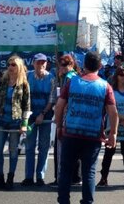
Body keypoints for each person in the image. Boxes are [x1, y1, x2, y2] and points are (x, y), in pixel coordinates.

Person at [55, 51, 118, 204]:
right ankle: (87, 201)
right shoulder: (105, 86)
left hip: (71, 132)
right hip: (93, 135)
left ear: (84, 65)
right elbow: (113, 112)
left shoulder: (72, 82)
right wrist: (113, 134)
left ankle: (64, 201)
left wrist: (58, 126)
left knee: (66, 170)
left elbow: (59, 106)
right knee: (89, 171)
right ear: (100, 66)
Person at [0, 55, 31, 190]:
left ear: (19, 67)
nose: (10, 67)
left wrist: (24, 123)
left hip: (15, 122)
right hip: (1, 120)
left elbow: (26, 106)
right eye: (9, 64)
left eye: (13, 65)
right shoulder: (2, 81)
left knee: (13, 151)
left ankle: (10, 177)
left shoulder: (24, 84)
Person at [97, 66, 124, 188]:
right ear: (116, 76)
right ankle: (104, 178)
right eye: (121, 74)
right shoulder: (111, 91)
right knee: (109, 152)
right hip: (114, 126)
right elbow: (108, 108)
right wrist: (121, 118)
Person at [21, 53, 54, 187]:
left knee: (44, 147)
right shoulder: (27, 76)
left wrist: (43, 113)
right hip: (30, 116)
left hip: (45, 115)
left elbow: (52, 99)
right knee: (29, 147)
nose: (41, 65)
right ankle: (28, 177)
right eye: (38, 62)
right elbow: (24, 97)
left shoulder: (51, 78)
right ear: (33, 63)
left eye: (43, 62)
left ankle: (40, 175)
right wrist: (27, 116)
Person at [49, 54, 82, 187]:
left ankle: (61, 178)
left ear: (71, 65)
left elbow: (64, 100)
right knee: (74, 148)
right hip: (74, 117)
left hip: (66, 117)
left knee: (61, 148)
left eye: (64, 65)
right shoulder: (76, 77)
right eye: (60, 64)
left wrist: (59, 116)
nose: (61, 67)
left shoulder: (69, 78)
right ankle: (76, 177)